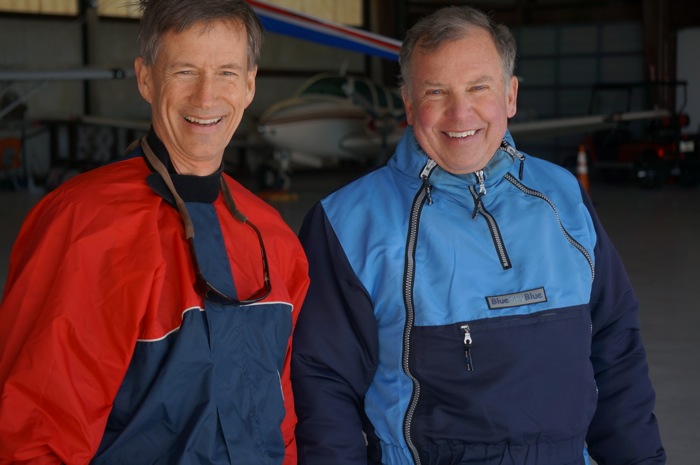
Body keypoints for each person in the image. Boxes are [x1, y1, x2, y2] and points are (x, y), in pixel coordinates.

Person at [291, 5, 665, 465]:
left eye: (478, 87)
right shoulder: (347, 224)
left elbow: (616, 352)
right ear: (408, 103)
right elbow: (324, 389)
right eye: (435, 91)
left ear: (510, 95)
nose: (459, 112)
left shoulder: (563, 196)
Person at [0, 0, 309, 463]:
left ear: (249, 86)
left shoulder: (274, 236)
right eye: (184, 71)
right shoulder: (83, 224)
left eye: (226, 72)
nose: (206, 97)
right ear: (146, 78)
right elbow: (35, 424)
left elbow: (283, 415)